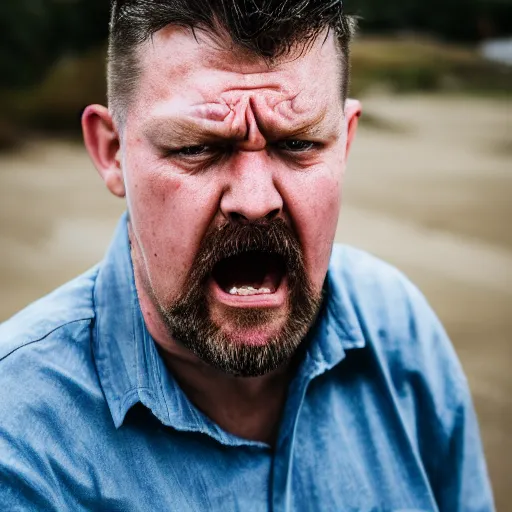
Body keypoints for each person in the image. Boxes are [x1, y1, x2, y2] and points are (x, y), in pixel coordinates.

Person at [0, 1, 495, 510]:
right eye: (197, 148)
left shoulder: (397, 331)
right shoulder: (17, 434)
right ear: (112, 151)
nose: (256, 201)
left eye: (299, 142)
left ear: (344, 141)